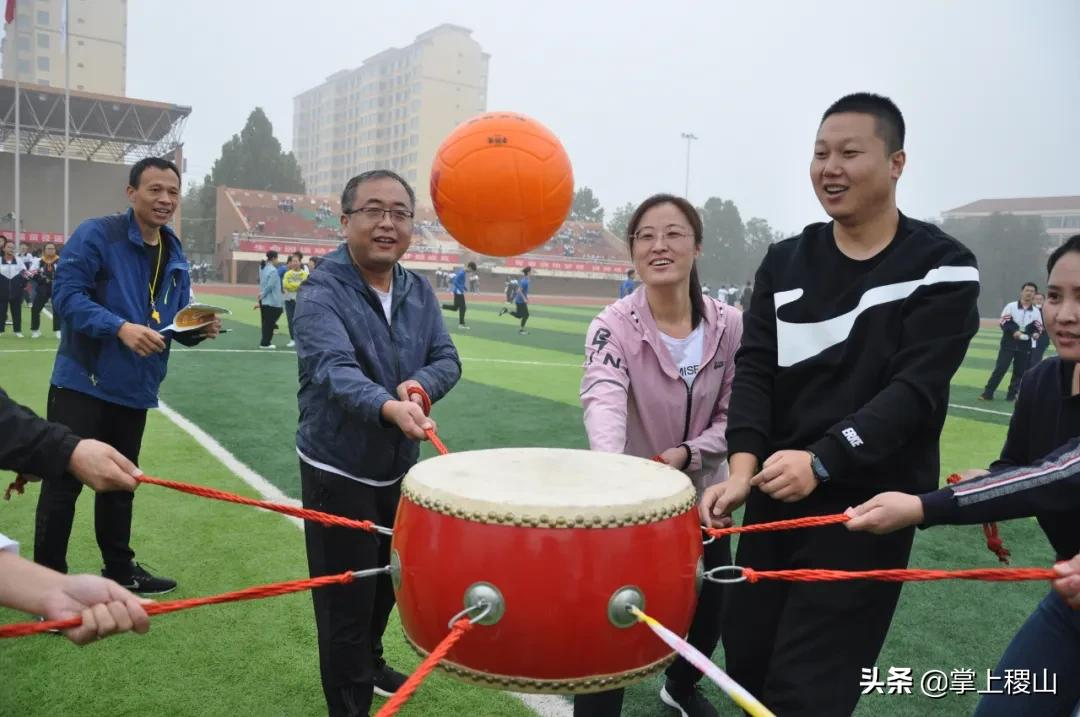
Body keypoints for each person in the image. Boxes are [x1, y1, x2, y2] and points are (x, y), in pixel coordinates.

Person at [700, 93, 980, 716]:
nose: (831, 167)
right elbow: (755, 370)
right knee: (748, 667)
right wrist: (743, 470)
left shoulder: (943, 267)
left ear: (896, 162)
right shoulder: (786, 260)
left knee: (809, 692)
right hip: (775, 501)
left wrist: (823, 460)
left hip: (865, 512)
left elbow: (913, 392)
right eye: (821, 153)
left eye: (851, 153)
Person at [845, 235, 1080, 716]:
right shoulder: (1040, 382)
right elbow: (1018, 471)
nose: (1065, 314)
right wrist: (985, 478)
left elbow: (1056, 476)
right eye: (1055, 296)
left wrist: (918, 507)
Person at [293, 169, 461, 717]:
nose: (387, 223)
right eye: (373, 210)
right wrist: (390, 407)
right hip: (337, 468)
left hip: (400, 468)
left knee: (389, 581)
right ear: (345, 222)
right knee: (345, 597)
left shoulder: (415, 289)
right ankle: (349, 701)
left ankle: (369, 654)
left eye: (400, 212)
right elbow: (332, 370)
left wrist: (419, 388)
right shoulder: (321, 290)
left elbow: (445, 359)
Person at [578, 195, 743, 717]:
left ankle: (681, 683)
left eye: (673, 233)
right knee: (613, 623)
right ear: (632, 252)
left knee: (710, 607)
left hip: (706, 499)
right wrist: (615, 476)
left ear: (697, 245)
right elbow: (602, 397)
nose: (659, 245)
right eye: (645, 236)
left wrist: (690, 453)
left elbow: (738, 418)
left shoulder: (731, 326)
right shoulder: (613, 325)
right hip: (633, 503)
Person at [34, 157, 221, 597]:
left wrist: (195, 330)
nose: (165, 200)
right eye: (155, 189)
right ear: (131, 192)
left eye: (172, 192)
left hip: (135, 388)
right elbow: (66, 299)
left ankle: (119, 568)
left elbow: (166, 321)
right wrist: (118, 327)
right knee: (64, 484)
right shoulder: (97, 234)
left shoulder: (173, 250)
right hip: (83, 382)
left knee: (121, 482)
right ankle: (49, 587)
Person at [980, 282, 1042, 401]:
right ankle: (988, 393)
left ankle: (1011, 395)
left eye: (1032, 291)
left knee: (1019, 371)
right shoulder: (1011, 306)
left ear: (1034, 294)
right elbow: (1004, 321)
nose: (1029, 293)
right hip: (1009, 343)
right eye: (1027, 290)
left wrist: (1036, 334)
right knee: (1000, 368)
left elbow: (1038, 327)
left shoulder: (1036, 311)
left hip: (1025, 345)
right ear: (1022, 292)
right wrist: (1015, 332)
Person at [30, 242, 60, 339]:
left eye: (52, 248)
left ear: (55, 250)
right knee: (35, 309)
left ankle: (58, 330)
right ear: (44, 250)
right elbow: (32, 273)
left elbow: (66, 273)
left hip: (56, 287)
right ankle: (35, 330)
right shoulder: (38, 261)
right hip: (42, 287)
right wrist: (42, 279)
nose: (50, 250)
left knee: (57, 309)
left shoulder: (60, 261)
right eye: (48, 248)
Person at [256, 250, 283, 349]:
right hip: (272, 300)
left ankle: (265, 341)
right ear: (273, 258)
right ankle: (265, 342)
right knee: (270, 321)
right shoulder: (273, 270)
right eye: (277, 258)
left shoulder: (262, 268)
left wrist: (261, 295)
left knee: (266, 322)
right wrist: (263, 294)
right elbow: (270, 286)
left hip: (264, 300)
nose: (278, 261)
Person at [0, 238, 27, 337]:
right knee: (1, 311)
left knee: (16, 312)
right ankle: (1, 330)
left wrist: (21, 285)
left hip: (16, 292)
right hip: (2, 291)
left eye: (13, 247)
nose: (11, 249)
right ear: (4, 249)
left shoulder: (19, 261)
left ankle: (17, 331)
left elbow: (25, 274)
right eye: (9, 247)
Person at [282, 254, 309, 349]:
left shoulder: (304, 274)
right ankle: (292, 339)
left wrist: (292, 286)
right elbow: (285, 285)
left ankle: (301, 339)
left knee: (301, 320)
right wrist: (296, 286)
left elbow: (304, 285)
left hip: (301, 300)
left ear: (300, 262)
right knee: (291, 320)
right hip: (289, 300)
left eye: (296, 261)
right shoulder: (287, 274)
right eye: (293, 261)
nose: (294, 263)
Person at [441, 261, 477, 330]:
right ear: (469, 267)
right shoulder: (462, 273)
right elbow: (455, 282)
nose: (471, 272)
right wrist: (461, 288)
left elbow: (460, 282)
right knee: (463, 307)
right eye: (471, 270)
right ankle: (461, 324)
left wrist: (464, 287)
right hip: (458, 292)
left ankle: (441, 306)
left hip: (458, 292)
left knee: (455, 308)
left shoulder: (463, 272)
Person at [498, 266, 532, 334]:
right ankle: (521, 330)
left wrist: (525, 297)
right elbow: (519, 291)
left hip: (520, 301)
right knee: (526, 315)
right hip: (520, 301)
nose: (531, 273)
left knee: (519, 315)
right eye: (531, 272)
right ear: (528, 272)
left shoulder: (525, 280)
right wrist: (525, 299)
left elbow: (522, 290)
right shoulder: (525, 281)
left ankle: (506, 311)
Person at [1030, 291, 1051, 367]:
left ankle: (1034, 377)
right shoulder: (1029, 311)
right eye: (1036, 299)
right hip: (1029, 339)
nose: (1038, 301)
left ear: (1044, 300)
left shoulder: (1048, 312)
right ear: (1033, 300)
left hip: (1042, 340)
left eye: (1040, 299)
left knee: (1035, 360)